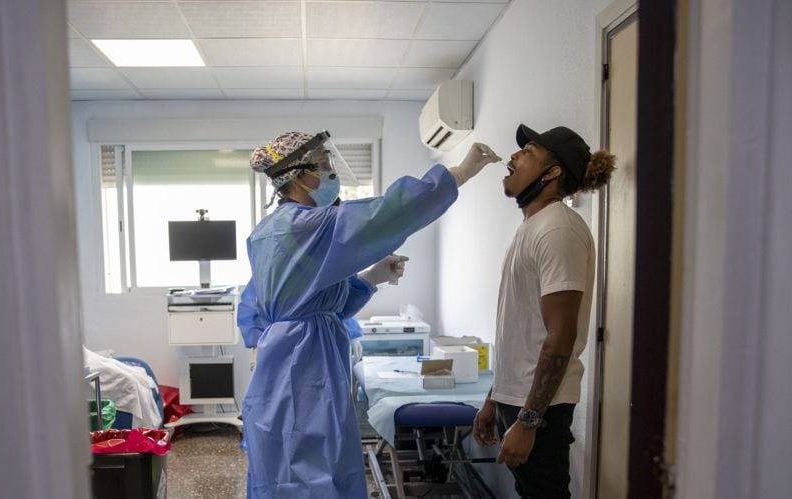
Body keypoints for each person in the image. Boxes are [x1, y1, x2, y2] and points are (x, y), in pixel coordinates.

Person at [237, 130, 500, 498]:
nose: (332, 173)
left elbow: (310, 304)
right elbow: (388, 214)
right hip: (302, 369)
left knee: (309, 463)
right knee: (308, 472)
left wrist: (369, 279)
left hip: (290, 363)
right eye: (325, 165)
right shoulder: (308, 225)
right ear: (296, 176)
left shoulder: (272, 230)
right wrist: (457, 174)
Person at [472, 124, 616, 498]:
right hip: (517, 397)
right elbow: (521, 333)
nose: (513, 156)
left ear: (552, 173)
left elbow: (560, 336)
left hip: (539, 408)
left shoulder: (558, 230)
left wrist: (529, 421)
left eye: (528, 152)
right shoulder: (532, 228)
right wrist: (493, 400)